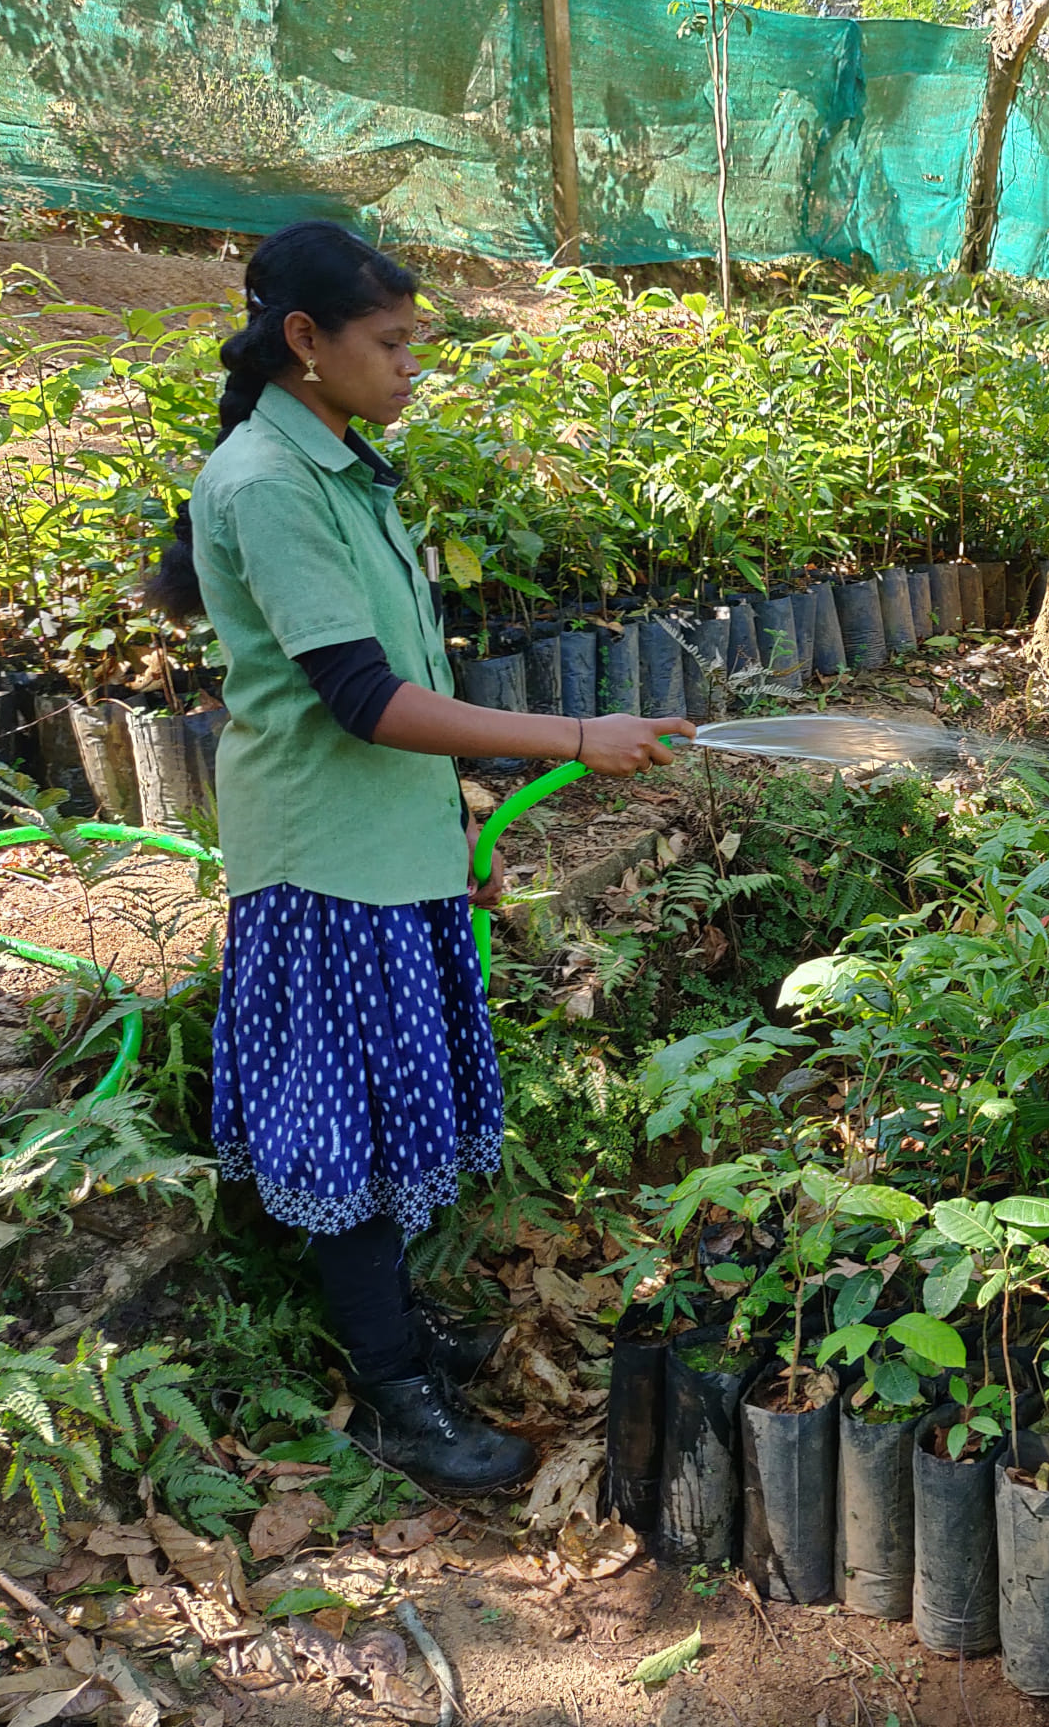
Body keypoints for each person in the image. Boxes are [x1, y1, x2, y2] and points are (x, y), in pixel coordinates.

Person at [143, 220, 693, 1494]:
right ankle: (391, 1394)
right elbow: (356, 694)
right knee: (343, 1134)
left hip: (392, 850)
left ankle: (400, 1338)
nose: (409, 367)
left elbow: (410, 681)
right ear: (305, 341)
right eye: (389, 344)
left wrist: (450, 817)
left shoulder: (340, 462)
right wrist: (573, 735)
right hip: (324, 865)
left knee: (392, 1119)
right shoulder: (269, 484)